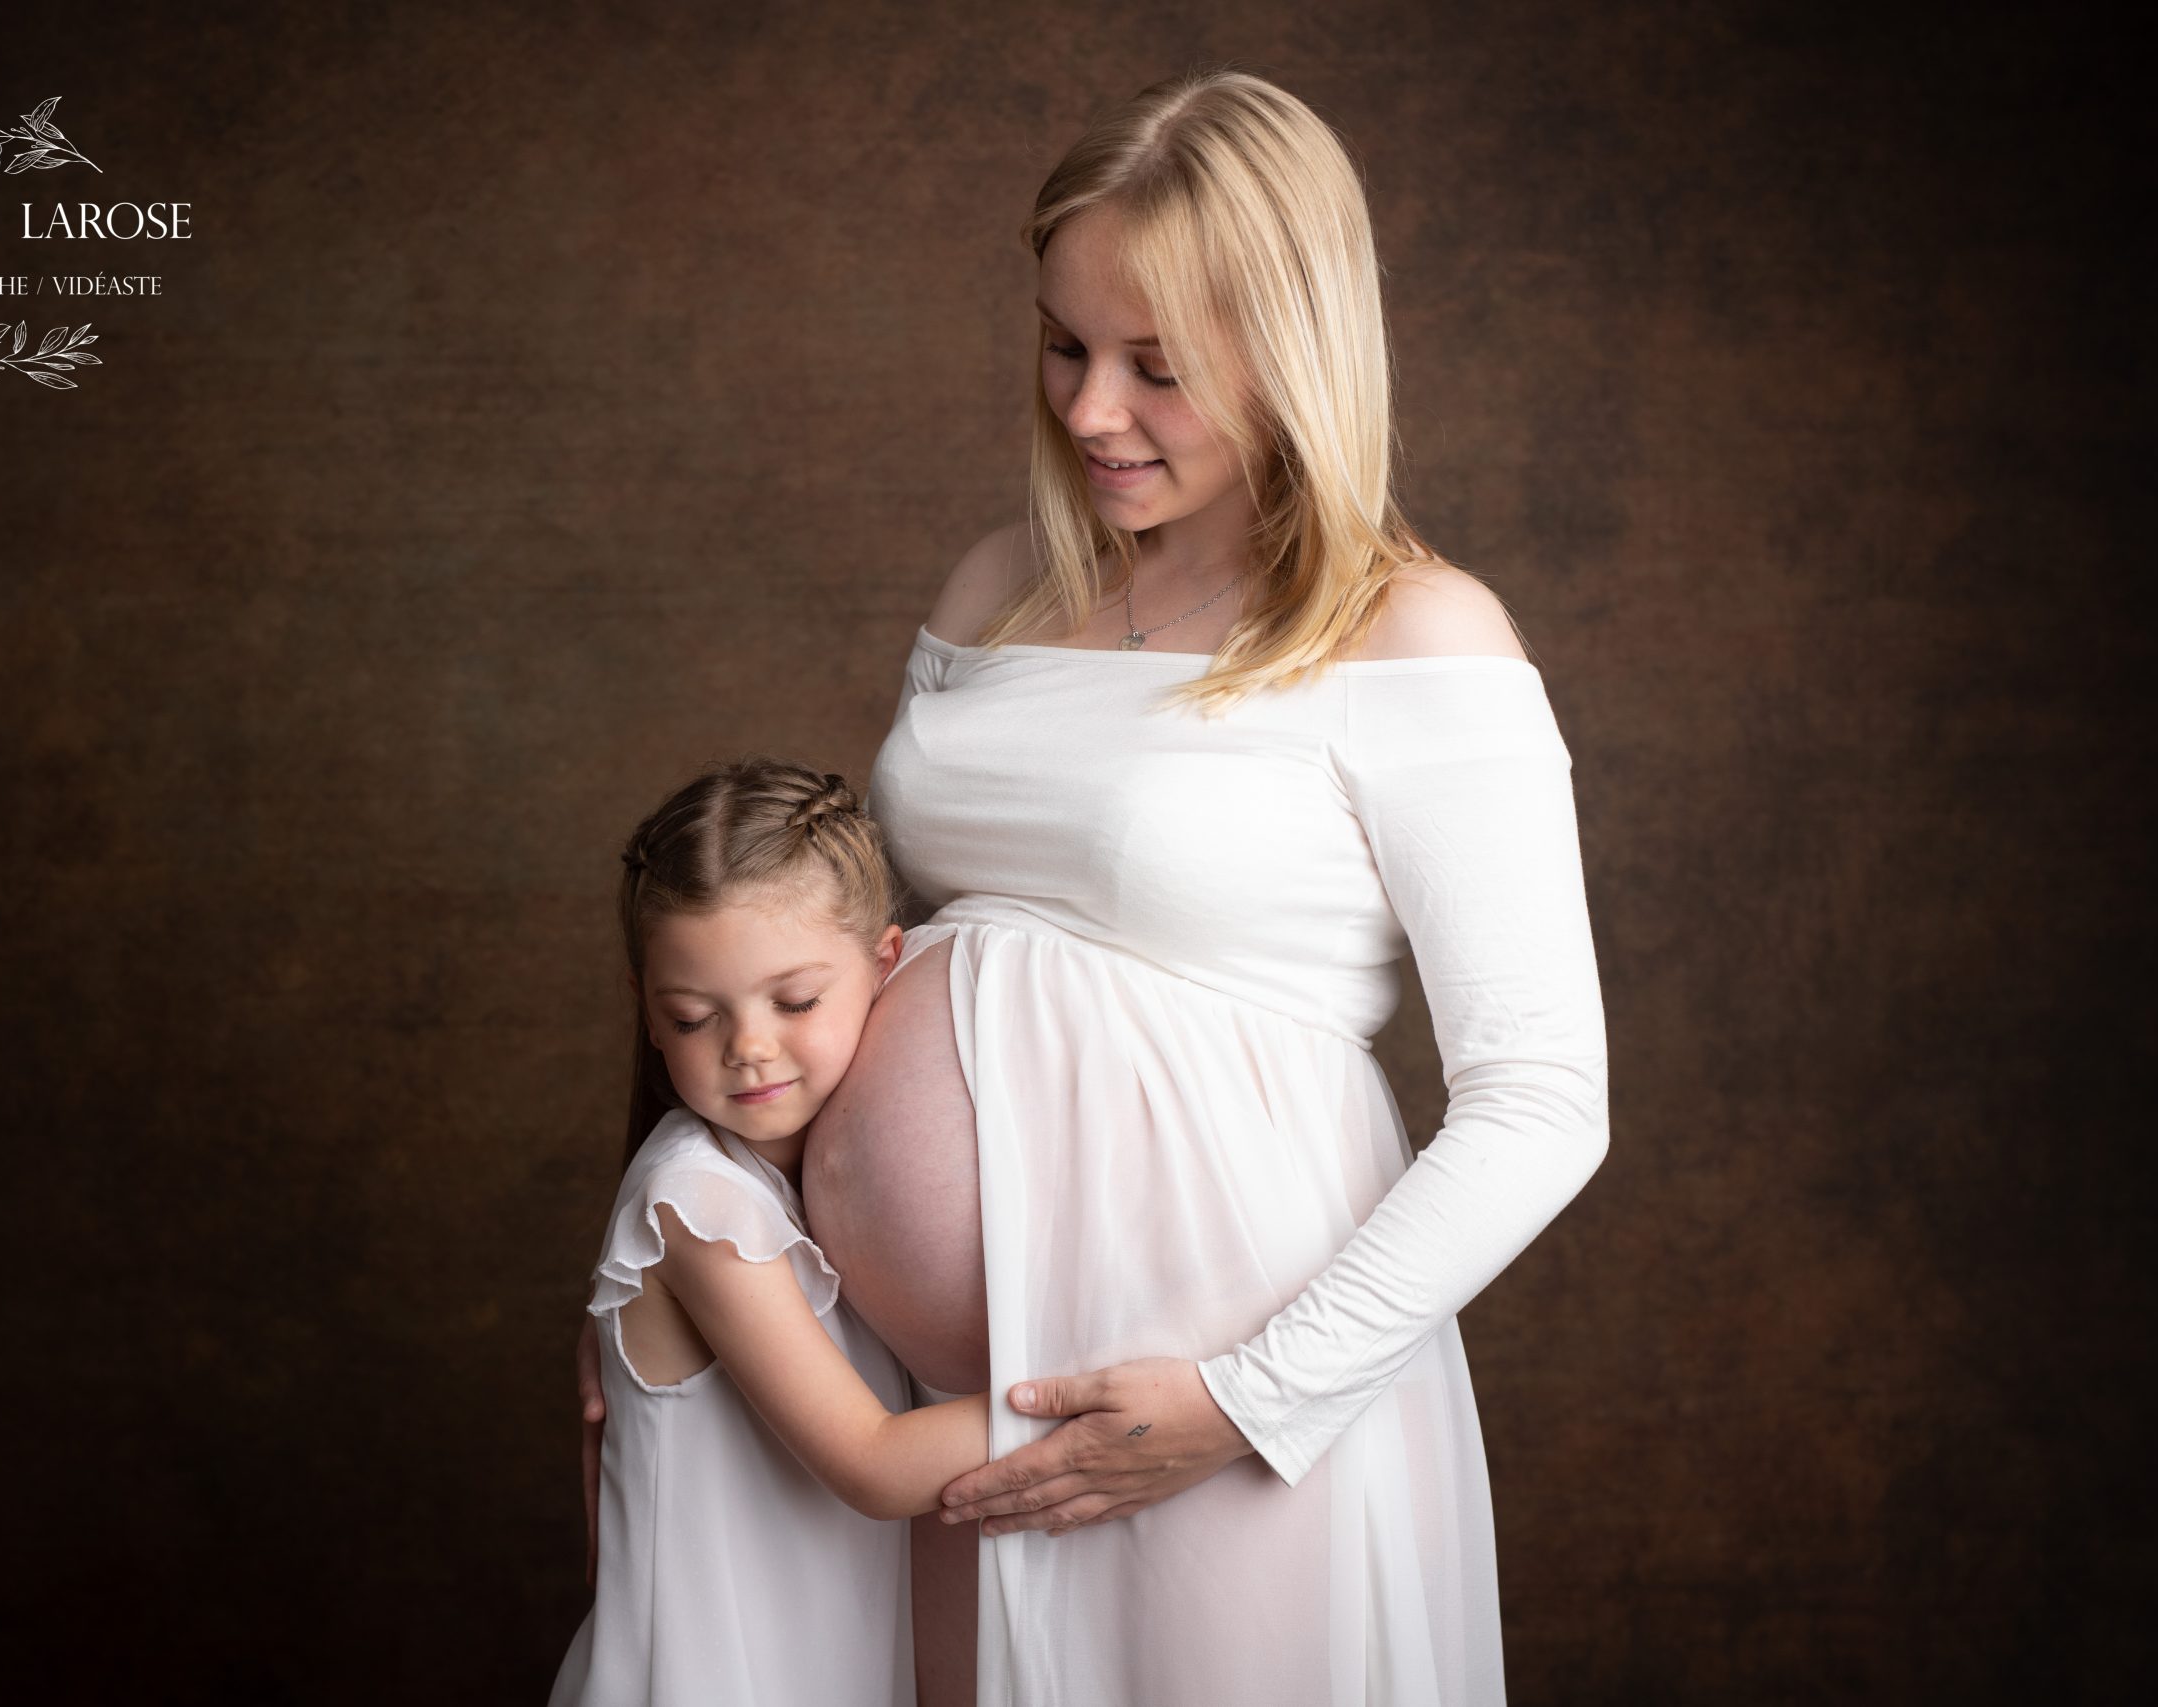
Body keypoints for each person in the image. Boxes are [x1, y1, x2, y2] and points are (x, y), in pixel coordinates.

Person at [586, 67, 1613, 1705]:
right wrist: (697, 1274)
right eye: (1064, 344)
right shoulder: (1000, 585)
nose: (1087, 411)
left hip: (1214, 1391)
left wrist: (1250, 1397)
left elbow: (1544, 1098)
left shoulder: (1415, 636)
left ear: (1297, 352)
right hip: (950, 1397)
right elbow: (831, 963)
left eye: (1159, 369)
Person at [549, 759, 989, 1707]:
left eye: (794, 1002)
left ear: (884, 965)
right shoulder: (699, 1208)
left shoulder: (815, 1187)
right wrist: (1106, 1387)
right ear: (650, 1013)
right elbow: (871, 1461)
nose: (747, 1046)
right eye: (693, 1017)